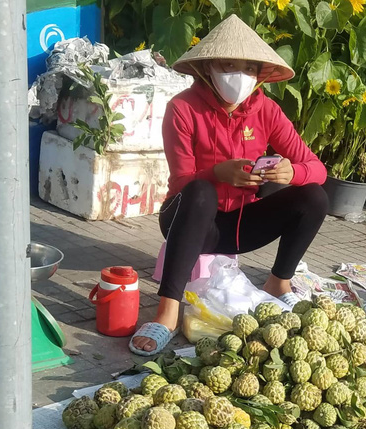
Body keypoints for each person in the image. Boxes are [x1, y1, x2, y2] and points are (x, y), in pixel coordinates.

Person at [130, 15, 328, 356]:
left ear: (259, 74)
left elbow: (317, 169)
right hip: (188, 219)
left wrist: (289, 173)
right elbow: (180, 182)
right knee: (200, 190)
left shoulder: (266, 110)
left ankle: (279, 281)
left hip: (238, 227)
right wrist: (218, 173)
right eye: (229, 65)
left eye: (249, 68)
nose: (239, 76)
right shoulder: (182, 108)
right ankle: (167, 312)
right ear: (209, 68)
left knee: (314, 196)